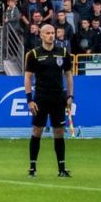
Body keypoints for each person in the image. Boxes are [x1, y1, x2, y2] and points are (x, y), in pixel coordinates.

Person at [24, 23, 74, 178]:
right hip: (41, 97)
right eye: (48, 33)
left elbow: (68, 75)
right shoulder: (34, 54)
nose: (51, 35)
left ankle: (62, 168)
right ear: (41, 35)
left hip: (58, 97)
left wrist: (70, 96)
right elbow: (28, 77)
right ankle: (32, 167)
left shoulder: (63, 52)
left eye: (53, 32)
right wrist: (29, 99)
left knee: (59, 132)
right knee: (37, 130)